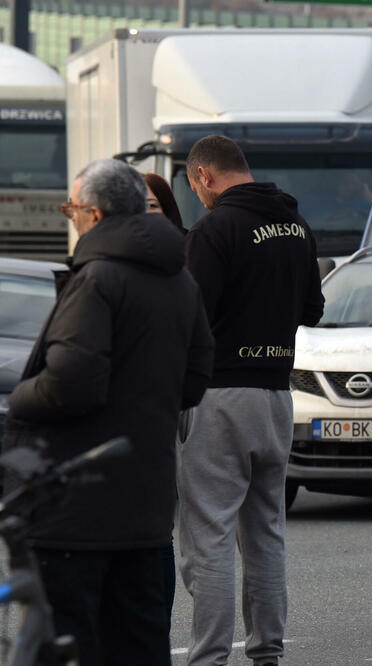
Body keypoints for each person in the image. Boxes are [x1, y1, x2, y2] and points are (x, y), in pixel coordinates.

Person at [1, 158, 213, 666]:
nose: (70, 217)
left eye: (73, 207)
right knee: (137, 646)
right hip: (144, 504)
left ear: (94, 214)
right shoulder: (179, 280)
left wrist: (21, 398)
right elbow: (195, 380)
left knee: (68, 646)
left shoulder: (98, 279)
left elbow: (71, 383)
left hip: (78, 503)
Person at [177, 135, 324, 666]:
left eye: (196, 187)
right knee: (265, 533)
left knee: (209, 536)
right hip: (276, 396)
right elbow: (313, 308)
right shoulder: (295, 225)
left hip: (218, 394)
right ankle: (267, 654)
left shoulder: (214, 229)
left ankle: (210, 657)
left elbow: (189, 316)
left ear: (204, 177)